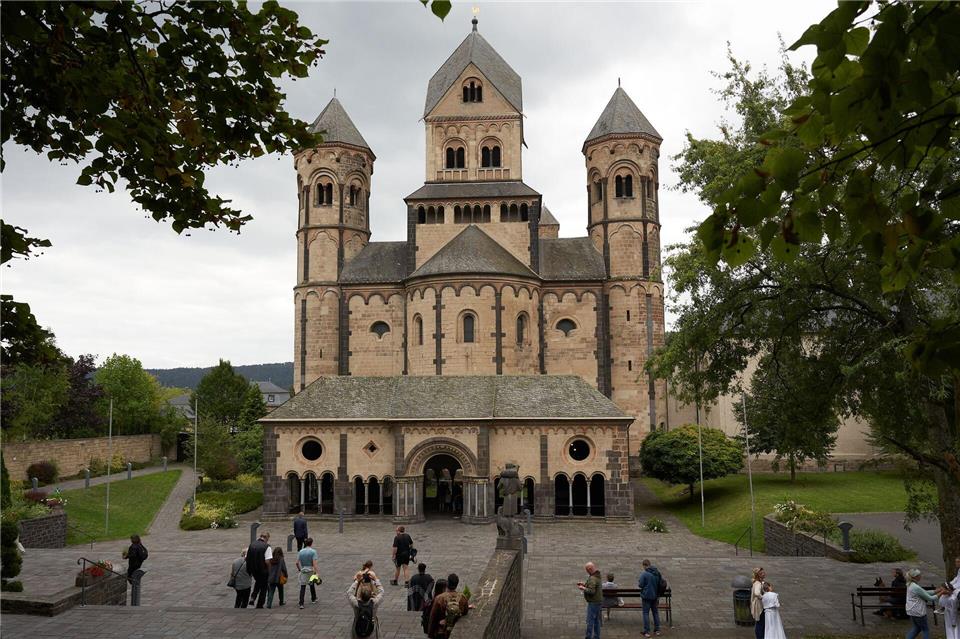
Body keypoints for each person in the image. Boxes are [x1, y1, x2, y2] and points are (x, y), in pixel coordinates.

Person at [428, 573, 470, 639]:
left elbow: (433, 617)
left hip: (441, 631)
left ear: (447, 584)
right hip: (455, 629)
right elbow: (465, 612)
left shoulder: (439, 598)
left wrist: (430, 634)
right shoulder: (462, 597)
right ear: (456, 584)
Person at [347, 569, 385, 638]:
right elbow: (381, 592)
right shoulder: (374, 603)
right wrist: (375, 579)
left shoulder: (356, 603)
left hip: (358, 629)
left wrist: (357, 581)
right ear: (371, 594)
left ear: (360, 595)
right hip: (371, 629)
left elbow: (349, 593)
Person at [906, 568, 937, 639]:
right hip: (918, 612)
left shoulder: (910, 584)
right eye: (920, 575)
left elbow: (924, 593)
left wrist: (936, 591)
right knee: (925, 629)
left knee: (916, 628)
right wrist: (941, 593)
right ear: (915, 577)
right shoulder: (915, 587)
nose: (921, 576)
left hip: (911, 610)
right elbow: (930, 598)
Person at [577, 562, 603, 639]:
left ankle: (588, 637)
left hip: (593, 602)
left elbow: (592, 591)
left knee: (590, 621)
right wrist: (584, 584)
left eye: (587, 570)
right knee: (596, 621)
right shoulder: (597, 575)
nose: (587, 572)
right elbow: (593, 586)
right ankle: (596, 636)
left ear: (590, 569)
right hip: (598, 601)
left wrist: (583, 588)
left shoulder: (592, 578)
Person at [247, 531, 272, 608]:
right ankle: (260, 604)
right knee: (264, 587)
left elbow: (247, 558)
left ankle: (253, 597)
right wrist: (270, 571)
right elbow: (267, 561)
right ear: (266, 538)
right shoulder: (267, 546)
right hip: (263, 570)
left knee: (258, 582)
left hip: (253, 570)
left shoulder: (252, 544)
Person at [638, 559, 662, 638]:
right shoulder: (657, 573)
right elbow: (660, 584)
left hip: (646, 596)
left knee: (645, 613)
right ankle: (657, 630)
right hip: (655, 596)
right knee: (655, 612)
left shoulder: (644, 574)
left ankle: (647, 631)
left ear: (645, 565)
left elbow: (640, 585)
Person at [297, 536, 320, 609]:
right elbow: (314, 564)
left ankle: (301, 603)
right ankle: (313, 598)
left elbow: (297, 563)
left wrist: (299, 569)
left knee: (303, 586)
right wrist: (317, 573)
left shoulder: (301, 551)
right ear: (311, 543)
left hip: (303, 570)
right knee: (311, 584)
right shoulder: (313, 551)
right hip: (310, 570)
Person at [751, 567, 767, 639]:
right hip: (759, 605)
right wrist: (763, 597)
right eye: (761, 573)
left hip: (758, 604)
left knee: (760, 622)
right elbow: (757, 593)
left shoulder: (758, 582)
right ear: (758, 575)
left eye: (763, 572)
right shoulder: (757, 583)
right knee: (760, 623)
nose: (764, 574)